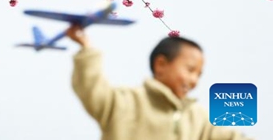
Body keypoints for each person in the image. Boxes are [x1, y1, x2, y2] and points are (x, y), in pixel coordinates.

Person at [66, 25, 251, 140]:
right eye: (190, 69)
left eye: (199, 75)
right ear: (161, 65)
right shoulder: (124, 102)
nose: (194, 80)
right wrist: (87, 49)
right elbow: (91, 87)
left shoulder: (198, 117)